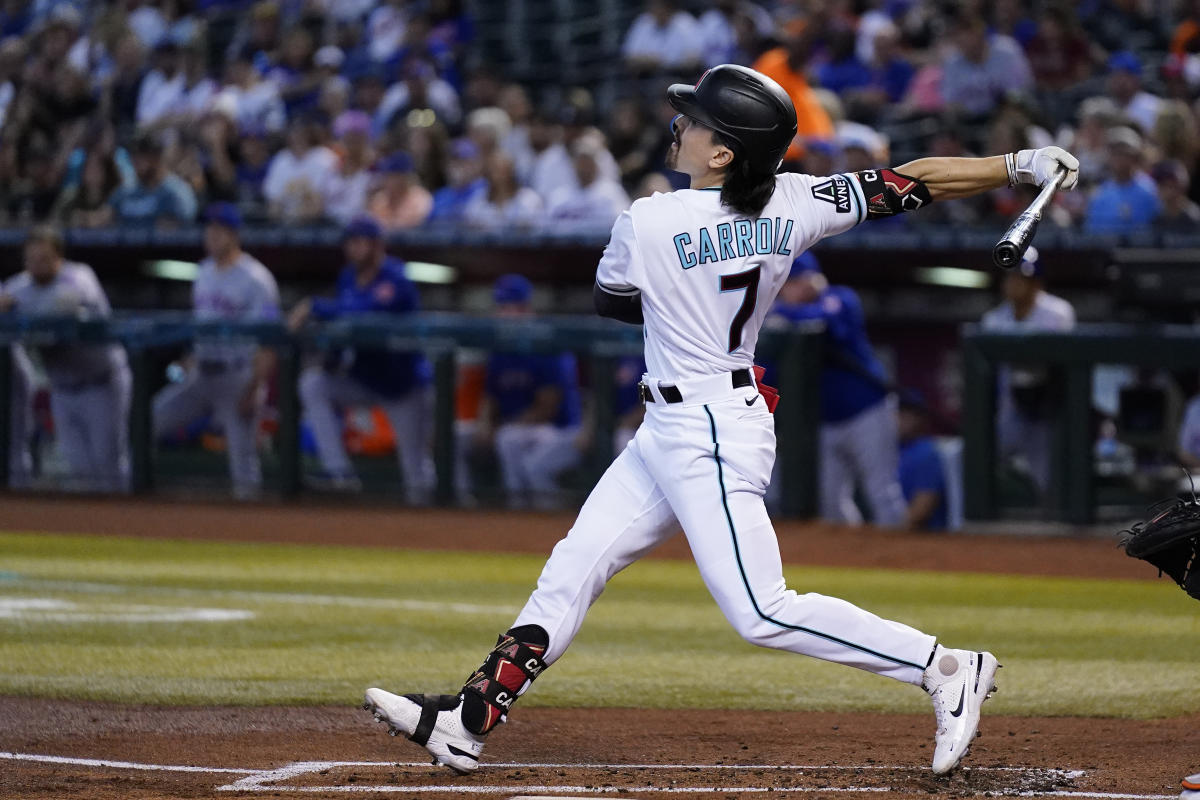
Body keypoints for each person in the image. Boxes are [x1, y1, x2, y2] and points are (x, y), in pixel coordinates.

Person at [364, 63, 1079, 778]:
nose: (681, 124)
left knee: (760, 611)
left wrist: (682, 292)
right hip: (688, 422)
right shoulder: (795, 202)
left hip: (704, 426)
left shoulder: (647, 219)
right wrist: (1016, 165)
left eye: (697, 121)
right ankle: (470, 719)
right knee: (574, 566)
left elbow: (611, 302)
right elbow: (912, 182)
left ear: (723, 153)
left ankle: (944, 665)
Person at [289, 216, 434, 504]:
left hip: (403, 386)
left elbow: (362, 314)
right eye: (349, 242)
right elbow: (346, 317)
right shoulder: (347, 277)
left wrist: (314, 305)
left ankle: (442, 530)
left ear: (377, 245)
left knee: (417, 477)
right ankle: (338, 471)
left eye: (359, 241)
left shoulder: (397, 278)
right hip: (365, 378)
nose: (352, 248)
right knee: (314, 384)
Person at [766, 252, 906, 527]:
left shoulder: (841, 298)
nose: (792, 288)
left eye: (797, 281)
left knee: (882, 492)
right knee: (829, 501)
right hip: (823, 422)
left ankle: (903, 561)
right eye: (787, 283)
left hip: (867, 411)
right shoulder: (778, 316)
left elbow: (824, 320)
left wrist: (781, 312)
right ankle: (852, 561)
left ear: (816, 280)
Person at [152, 203, 280, 500]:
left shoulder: (257, 278)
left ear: (234, 235)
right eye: (209, 229)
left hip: (238, 377)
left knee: (244, 465)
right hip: (201, 376)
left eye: (219, 230)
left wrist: (255, 387)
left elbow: (270, 339)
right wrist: (189, 358)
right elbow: (201, 324)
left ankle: (251, 532)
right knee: (148, 422)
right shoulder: (204, 271)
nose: (211, 236)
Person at [0, 226, 130, 492]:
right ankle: (92, 532)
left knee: (108, 467)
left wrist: (17, 309)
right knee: (78, 470)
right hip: (62, 388)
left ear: (59, 257)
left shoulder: (78, 277)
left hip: (102, 383)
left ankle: (126, 529)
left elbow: (66, 304)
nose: (37, 266)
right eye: (32, 260)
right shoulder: (20, 286)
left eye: (44, 259)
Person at [470, 274, 583, 509]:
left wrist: (504, 426)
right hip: (522, 429)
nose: (504, 314)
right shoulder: (501, 347)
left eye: (511, 307)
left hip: (559, 430)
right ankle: (517, 507)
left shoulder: (547, 343)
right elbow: (490, 396)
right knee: (504, 439)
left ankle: (548, 515)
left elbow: (549, 405)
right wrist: (485, 424)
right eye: (501, 307)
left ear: (526, 308)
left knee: (526, 459)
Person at [980, 247, 1076, 496]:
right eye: (1009, 277)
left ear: (1036, 283)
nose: (1012, 283)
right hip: (1009, 410)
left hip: (1047, 410)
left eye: (1020, 278)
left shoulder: (1058, 313)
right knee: (975, 462)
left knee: (1048, 482)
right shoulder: (993, 320)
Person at [897, 394, 949, 532]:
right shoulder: (888, 451)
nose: (898, 419)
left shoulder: (926, 453)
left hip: (924, 536)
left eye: (906, 414)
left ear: (920, 418)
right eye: (897, 412)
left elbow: (921, 511)